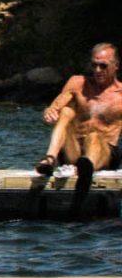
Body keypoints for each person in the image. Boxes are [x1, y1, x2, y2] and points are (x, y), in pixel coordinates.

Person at [36, 41, 122, 199]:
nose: (97, 70)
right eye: (94, 65)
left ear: (116, 65)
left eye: (103, 66)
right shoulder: (78, 83)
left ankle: (86, 169)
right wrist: (49, 113)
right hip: (73, 149)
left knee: (94, 136)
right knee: (67, 111)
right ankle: (49, 160)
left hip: (104, 153)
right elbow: (54, 107)